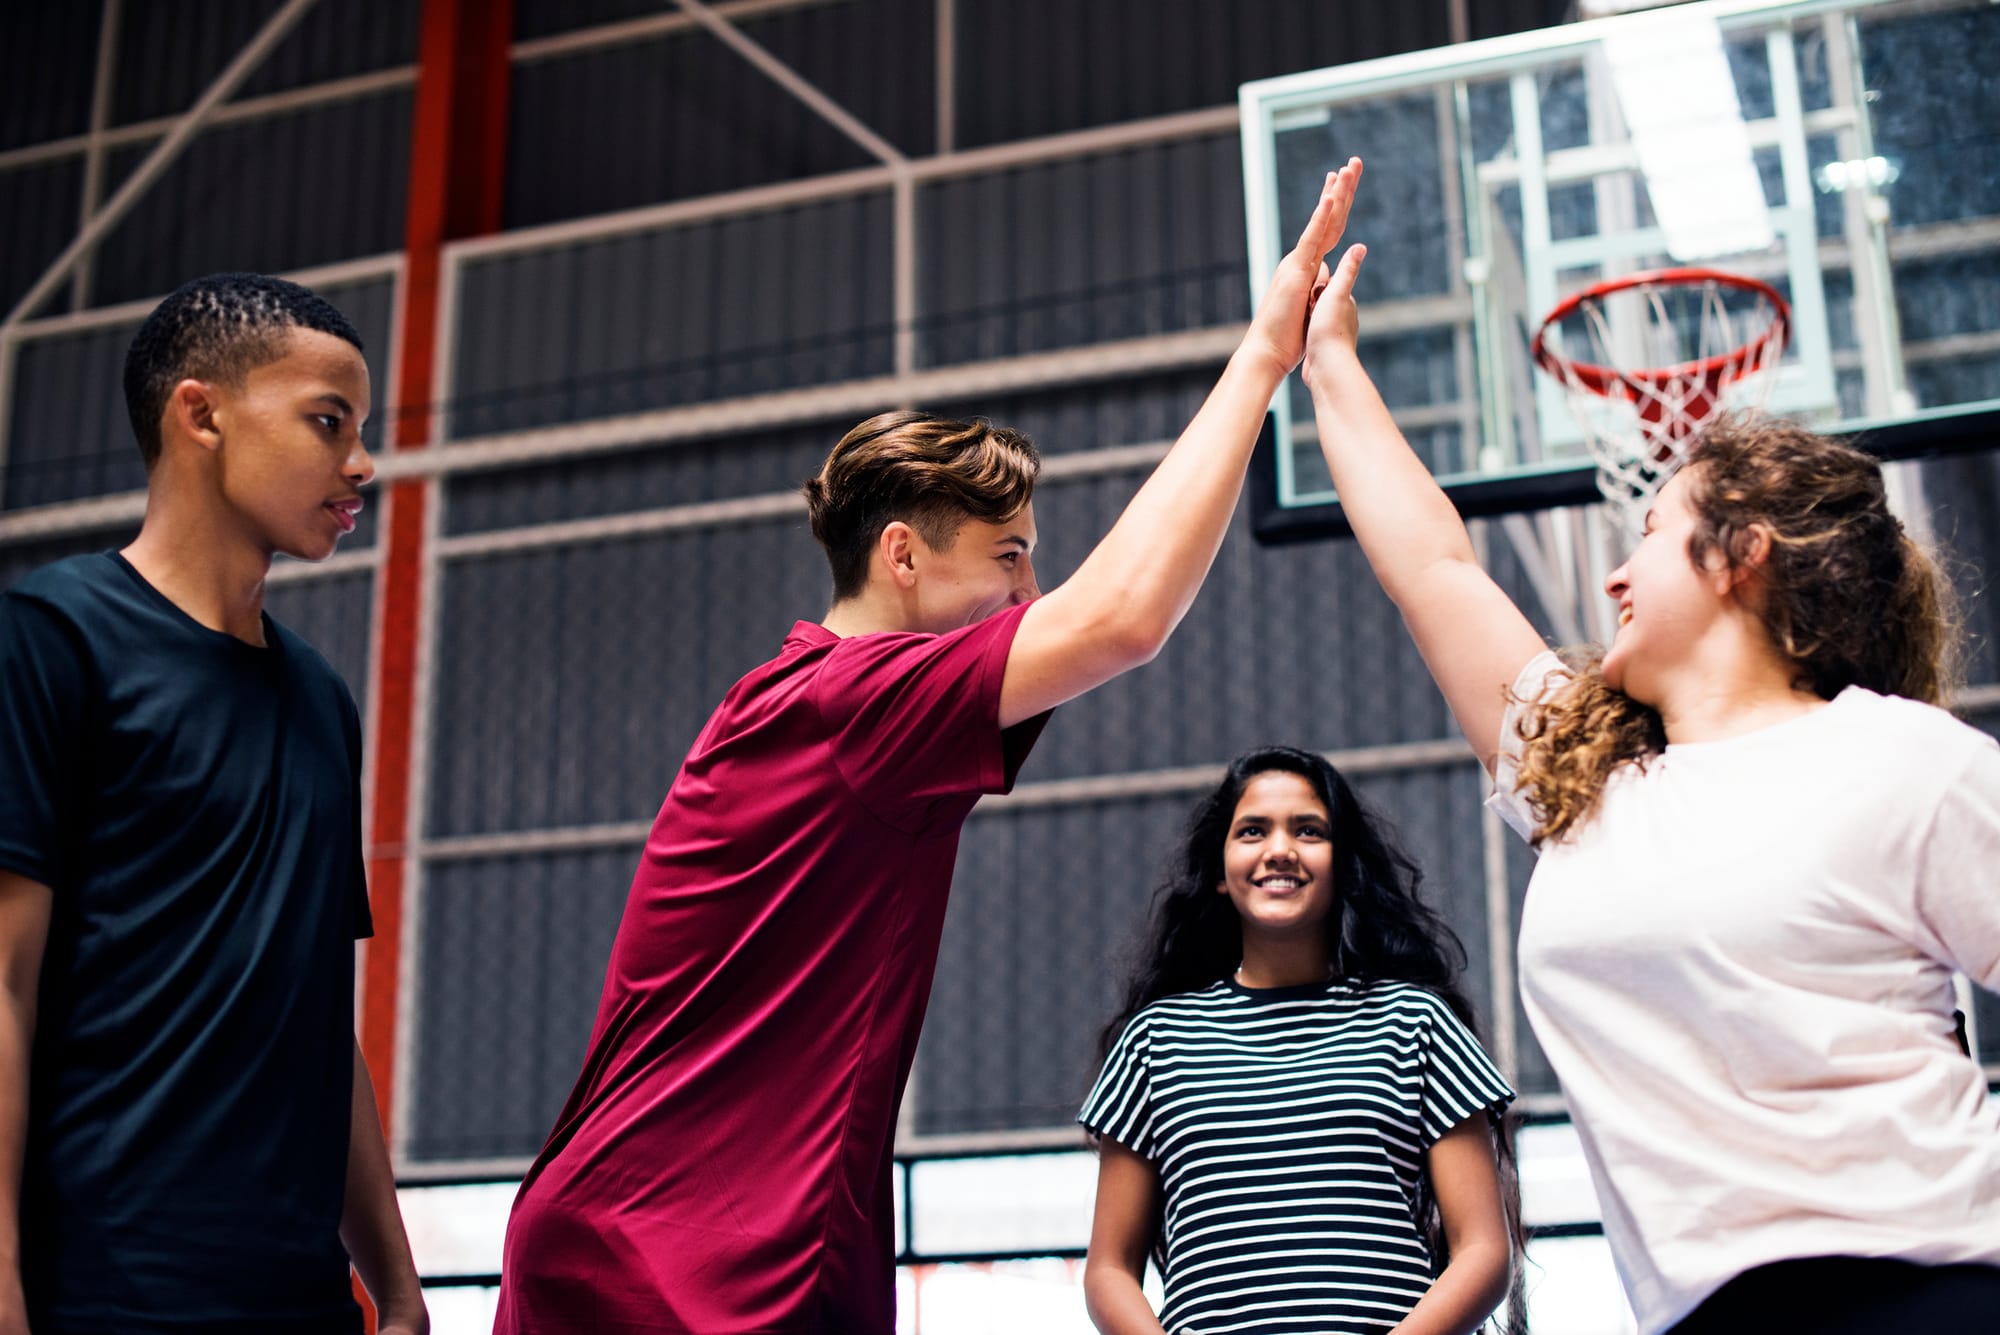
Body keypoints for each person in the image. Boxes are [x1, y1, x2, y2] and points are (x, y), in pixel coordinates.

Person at [489, 162, 1368, 1335]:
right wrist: (1263, 359)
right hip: (672, 1252)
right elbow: (1120, 617)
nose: (1028, 588)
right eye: (1006, 555)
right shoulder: (851, 697)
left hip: (728, 1233)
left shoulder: (831, 704)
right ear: (902, 556)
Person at [1297, 240, 2000, 1332]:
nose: (1615, 575)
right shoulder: (1589, 791)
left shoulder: (1905, 761)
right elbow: (1431, 566)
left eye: (1649, 537)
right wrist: (1326, 359)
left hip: (1925, 1286)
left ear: (1738, 558)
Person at [0, 274, 425, 1334]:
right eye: (329, 423)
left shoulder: (323, 698)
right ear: (200, 413)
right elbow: (2, 984)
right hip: (107, 1291)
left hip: (299, 1297)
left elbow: (321, 1019)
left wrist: (400, 1286)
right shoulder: (52, 640)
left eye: (361, 429)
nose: (361, 463)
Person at [1080, 746, 1520, 1335]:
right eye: (1253, 831)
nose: (1280, 849)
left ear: (1343, 864)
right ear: (1219, 869)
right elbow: (1108, 1270)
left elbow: (1484, 1253)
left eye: (1308, 830)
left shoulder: (1416, 1021)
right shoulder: (1154, 1039)